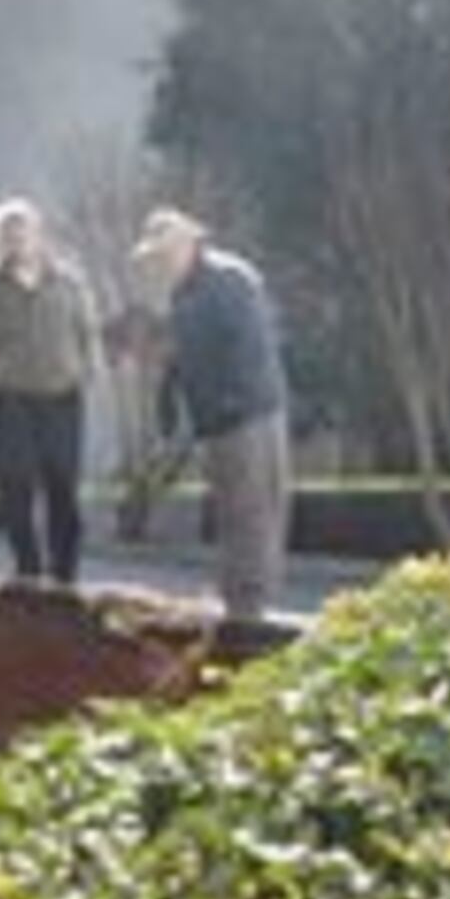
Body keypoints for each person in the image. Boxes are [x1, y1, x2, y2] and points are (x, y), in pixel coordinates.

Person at [130, 206, 288, 634]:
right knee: (231, 513)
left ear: (190, 243)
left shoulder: (230, 280)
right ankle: (238, 603)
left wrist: (230, 405)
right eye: (155, 257)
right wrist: (170, 427)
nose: (160, 263)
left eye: (165, 253)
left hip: (248, 416)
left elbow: (251, 349)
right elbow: (178, 367)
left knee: (252, 512)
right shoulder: (183, 294)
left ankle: (249, 612)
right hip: (215, 422)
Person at [0, 199, 103, 587]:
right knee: (15, 486)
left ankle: (65, 577)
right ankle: (27, 570)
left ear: (38, 235)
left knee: (63, 489)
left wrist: (88, 372)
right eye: (7, 235)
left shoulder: (70, 283)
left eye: (23, 232)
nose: (16, 241)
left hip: (63, 399)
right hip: (14, 400)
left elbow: (88, 332)